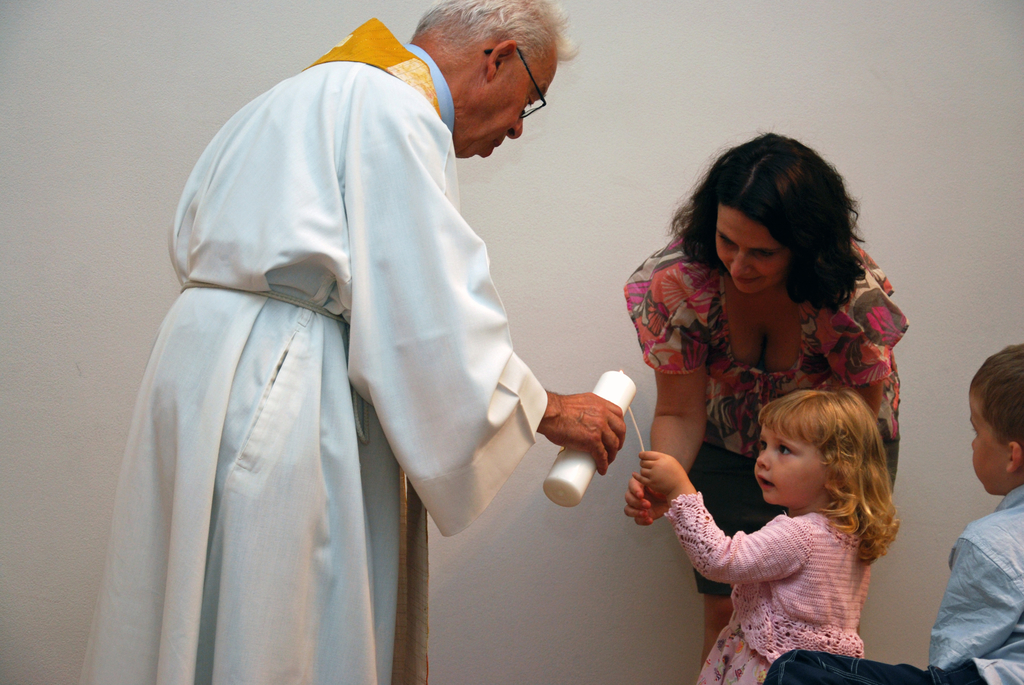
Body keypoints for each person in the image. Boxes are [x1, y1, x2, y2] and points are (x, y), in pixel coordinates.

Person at [79, 2, 626, 684]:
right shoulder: (394, 110)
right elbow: (425, 314)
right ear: (499, 58)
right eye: (531, 98)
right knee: (273, 623)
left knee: (192, 605)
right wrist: (545, 408)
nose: (518, 126)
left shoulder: (286, 99)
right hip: (283, 386)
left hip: (198, 374)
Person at [622, 133, 909, 659]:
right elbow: (679, 411)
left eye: (763, 253)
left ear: (805, 245)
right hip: (727, 447)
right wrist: (667, 481)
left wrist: (813, 504)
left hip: (838, 454)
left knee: (809, 624)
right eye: (727, 241)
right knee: (726, 615)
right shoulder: (680, 282)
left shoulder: (845, 290)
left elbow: (853, 423)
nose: (738, 265)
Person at [765, 344, 1024, 685]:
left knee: (794, 670)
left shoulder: (990, 543)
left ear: (1013, 456)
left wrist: (692, 503)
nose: (973, 444)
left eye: (977, 431)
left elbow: (952, 661)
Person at [635, 389, 899, 685]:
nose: (762, 459)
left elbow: (719, 559)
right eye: (764, 445)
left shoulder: (798, 534)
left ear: (837, 470)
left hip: (770, 672)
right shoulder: (849, 537)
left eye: (783, 449)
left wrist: (678, 489)